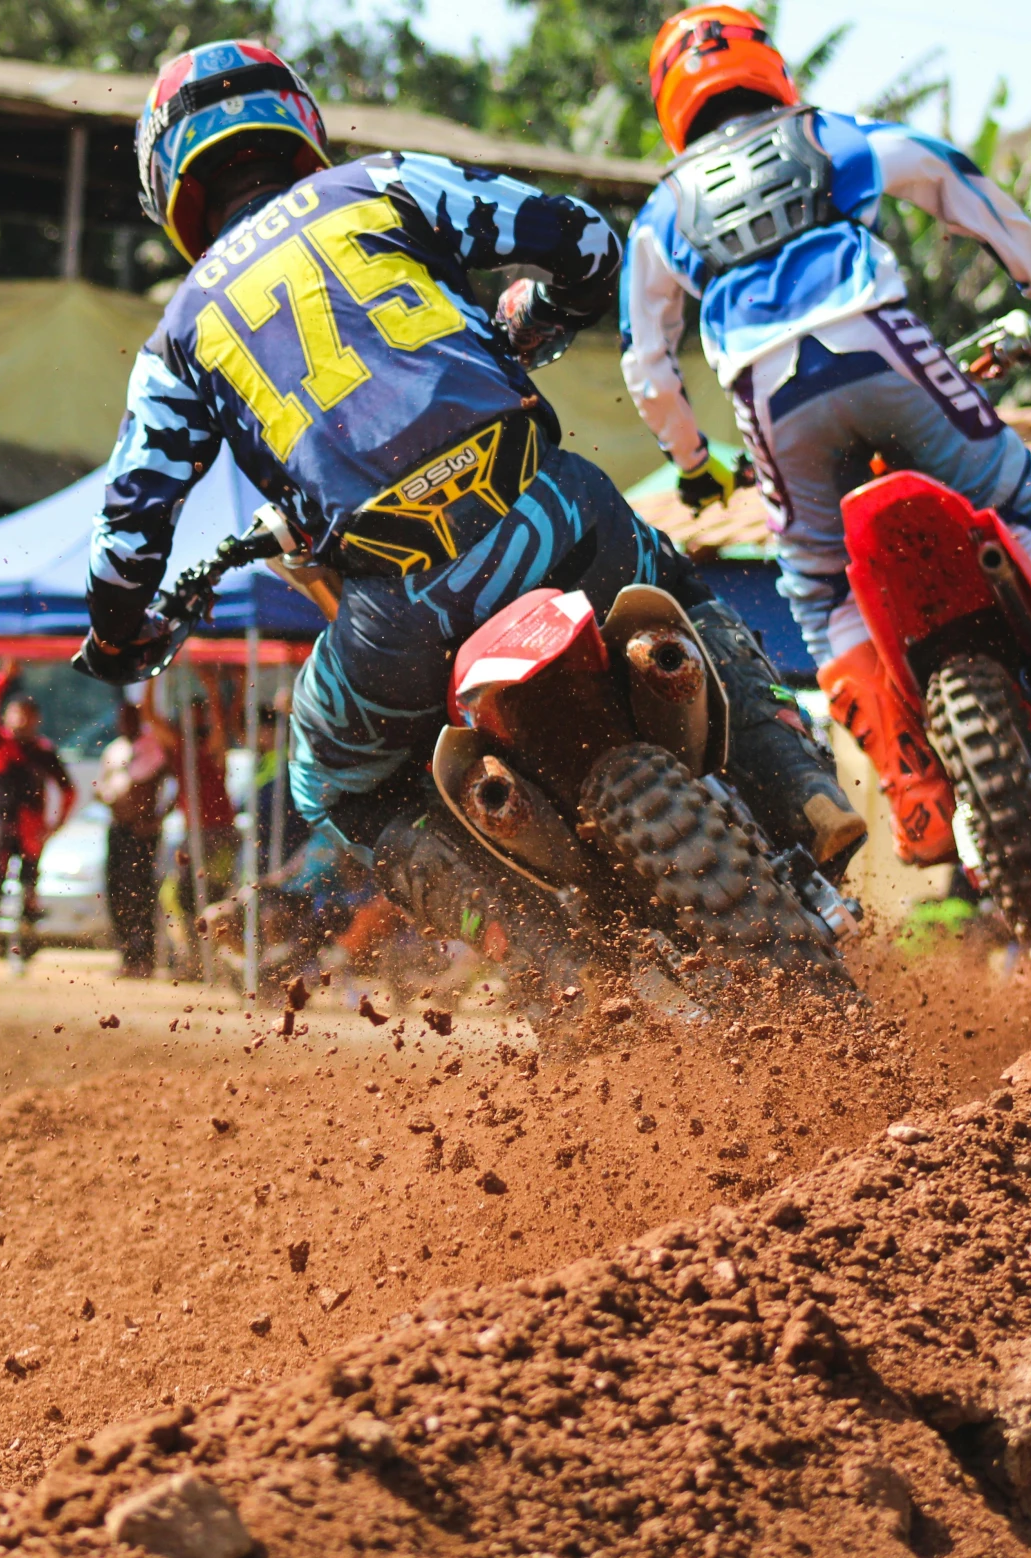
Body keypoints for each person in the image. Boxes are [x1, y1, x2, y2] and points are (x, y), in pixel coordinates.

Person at [76, 40, 863, 949]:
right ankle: (797, 790)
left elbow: (128, 535)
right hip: (555, 514)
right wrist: (532, 320)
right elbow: (586, 241)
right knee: (676, 589)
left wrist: (121, 632)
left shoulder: (176, 340)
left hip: (401, 609)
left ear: (172, 183)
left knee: (331, 781)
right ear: (293, 121)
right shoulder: (380, 185)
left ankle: (540, 955)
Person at [621, 6, 1031, 864]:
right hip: (881, 345)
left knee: (817, 588)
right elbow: (951, 180)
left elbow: (648, 365)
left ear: (671, 101)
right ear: (767, 66)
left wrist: (694, 466)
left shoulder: (664, 213)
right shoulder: (831, 135)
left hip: (771, 404)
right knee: (1020, 494)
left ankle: (912, 787)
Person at [0, 659, 79, 971]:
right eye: (16, 713)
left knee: (29, 892)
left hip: (31, 831)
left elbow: (69, 791)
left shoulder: (43, 751)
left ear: (36, 720)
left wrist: (54, 826)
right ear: (8, 716)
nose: (21, 720)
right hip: (2, 826)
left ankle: (23, 952)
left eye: (28, 715)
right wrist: (2, 677)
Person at [96, 700, 176, 977]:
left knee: (140, 892)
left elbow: (174, 782)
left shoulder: (153, 747)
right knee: (117, 891)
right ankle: (126, 954)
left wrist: (158, 817)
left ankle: (145, 957)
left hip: (143, 831)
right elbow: (103, 782)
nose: (125, 723)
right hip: (118, 827)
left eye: (131, 717)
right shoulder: (114, 749)